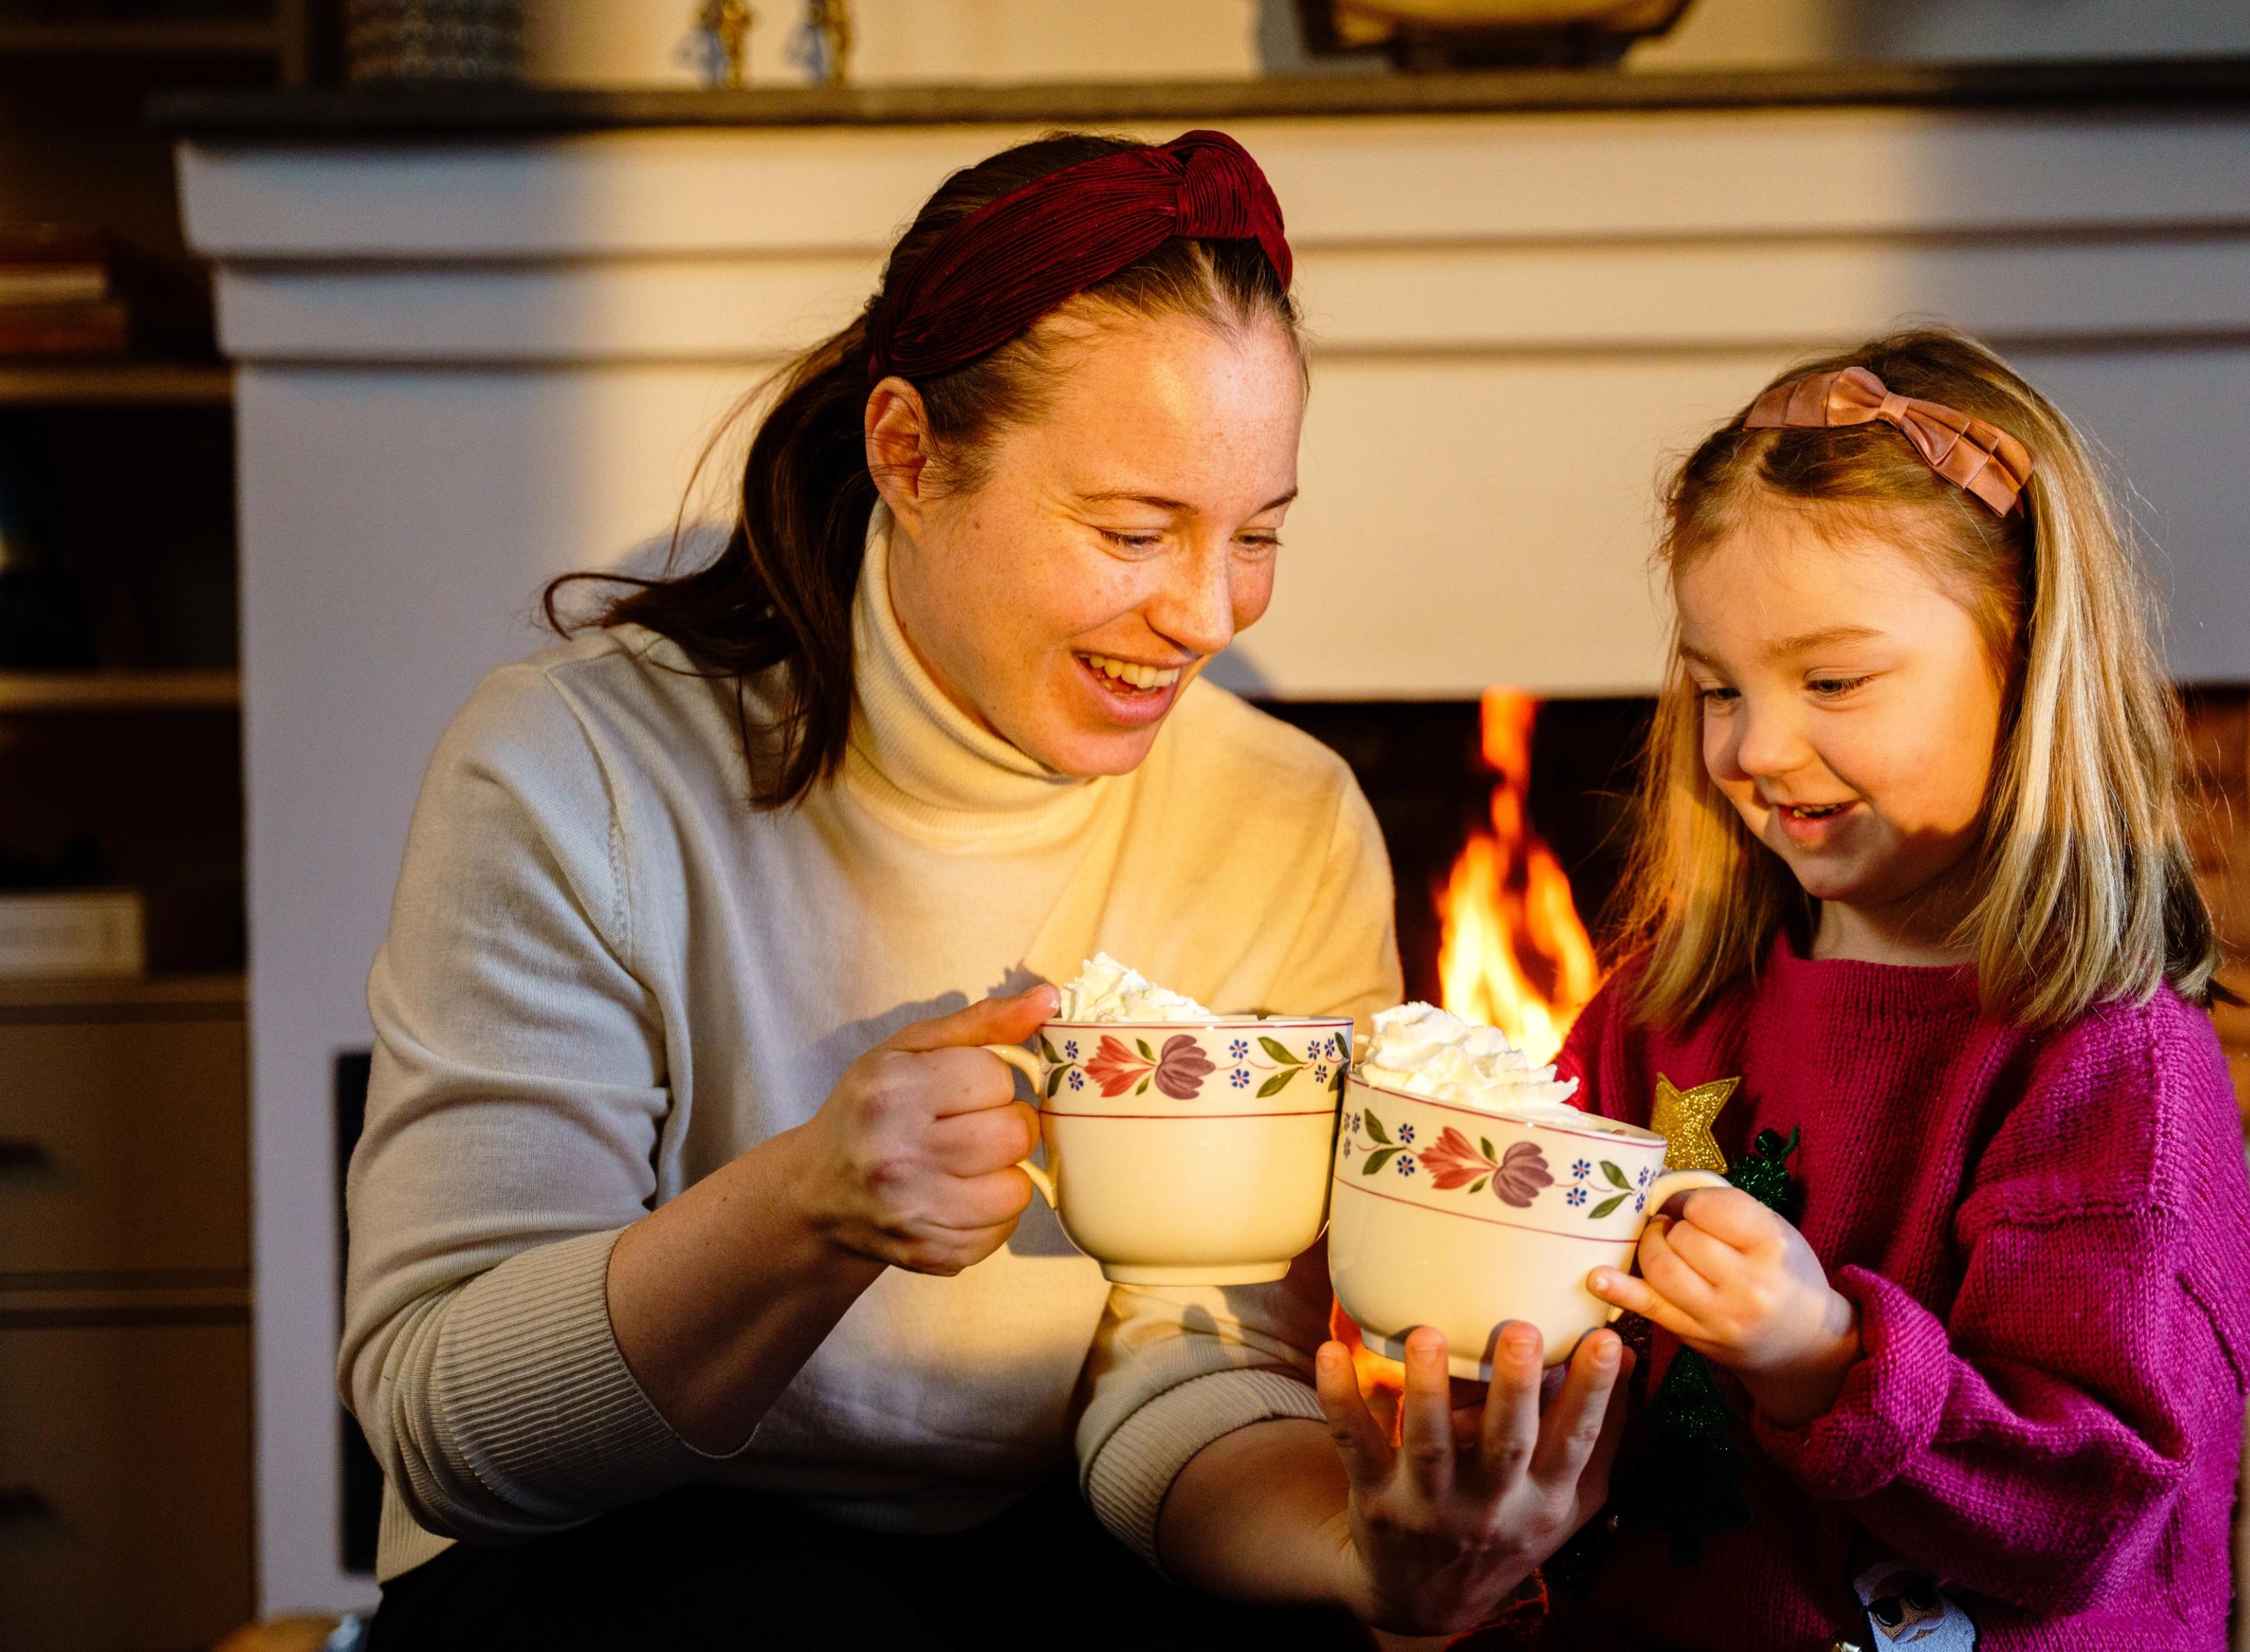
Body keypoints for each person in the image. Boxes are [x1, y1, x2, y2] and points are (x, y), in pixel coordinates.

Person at [343, 129, 1624, 1649]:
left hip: (1055, 1522)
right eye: (1132, 532)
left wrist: (1362, 1555)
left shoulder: (1279, 818)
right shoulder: (578, 772)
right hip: (613, 1542)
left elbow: (1193, 1366)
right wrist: (798, 1217)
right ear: (910, 453)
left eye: (1260, 535)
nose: (1206, 613)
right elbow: (443, 1424)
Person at [1538, 329, 2250, 1649]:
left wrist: (1822, 1361)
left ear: (2024, 656)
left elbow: (2094, 1507)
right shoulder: (1667, 1009)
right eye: (1717, 688)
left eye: (1834, 680)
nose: (1755, 747)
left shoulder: (2110, 1060)